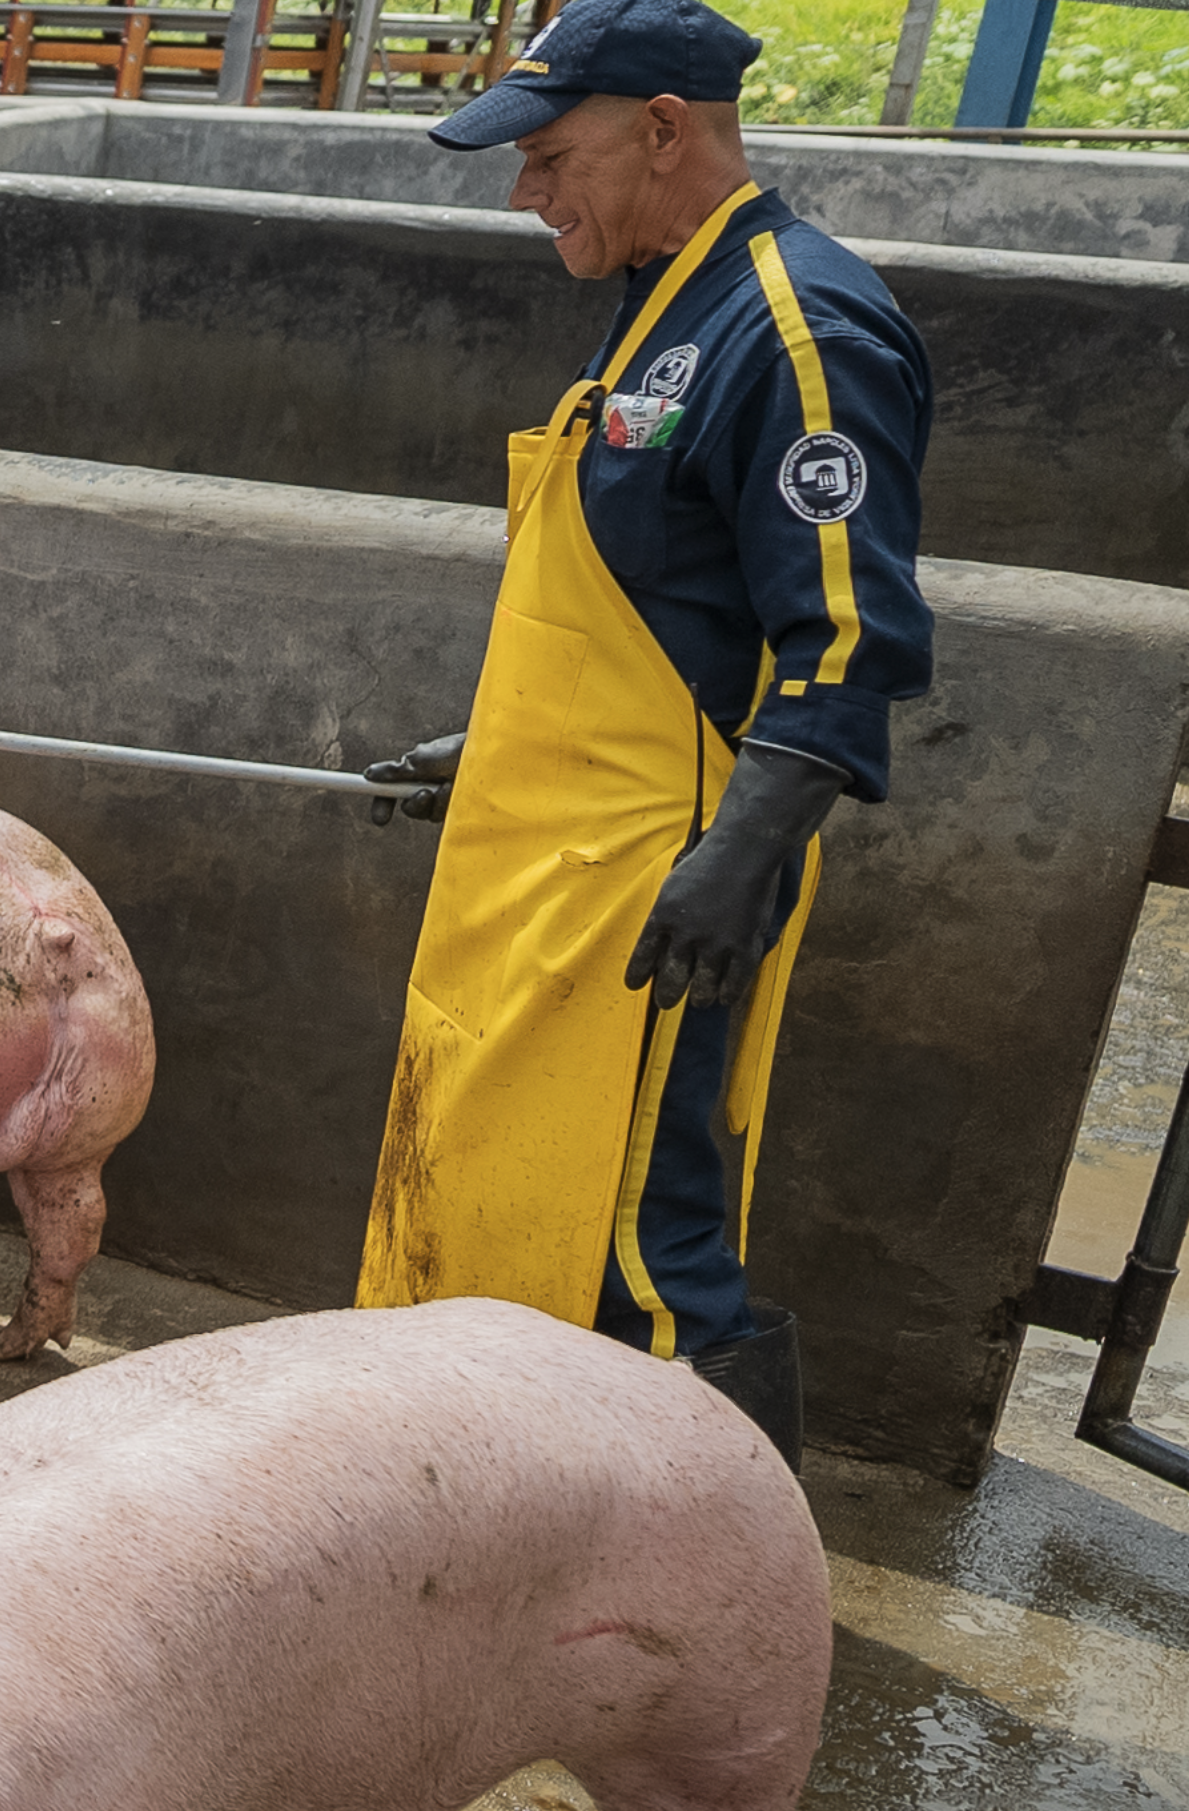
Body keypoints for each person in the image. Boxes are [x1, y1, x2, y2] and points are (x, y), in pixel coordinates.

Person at [355, 0, 932, 1467]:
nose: (527, 193)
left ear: (663, 130)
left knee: (641, 1247)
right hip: (544, 862)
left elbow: (846, 633)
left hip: (645, 896)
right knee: (503, 1190)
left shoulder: (800, 329)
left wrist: (740, 859)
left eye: (550, 157)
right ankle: (503, 1506)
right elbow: (661, 607)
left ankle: (713, 1596)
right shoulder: (664, 299)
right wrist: (496, 750)